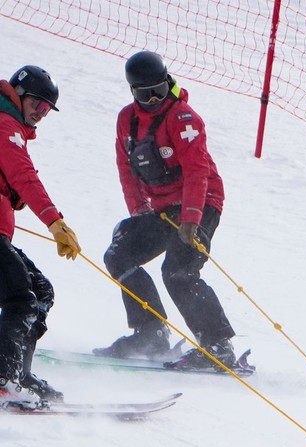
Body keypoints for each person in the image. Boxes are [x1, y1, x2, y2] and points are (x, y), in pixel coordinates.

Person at [94, 51, 235, 369]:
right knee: (120, 253)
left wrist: (191, 220)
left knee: (178, 270)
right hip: (161, 209)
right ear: (133, 91)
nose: (155, 97)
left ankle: (218, 347)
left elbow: (198, 170)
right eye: (146, 93)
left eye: (161, 88)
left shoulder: (183, 118)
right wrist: (139, 210)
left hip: (200, 203)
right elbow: (126, 168)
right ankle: (150, 332)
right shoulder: (126, 120)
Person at [0, 65, 82, 404]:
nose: (40, 113)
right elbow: (23, 176)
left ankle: (17, 371)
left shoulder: (11, 124)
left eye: (47, 109)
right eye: (37, 103)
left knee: (40, 290)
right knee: (22, 298)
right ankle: (4, 379)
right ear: (18, 94)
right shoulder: (5, 125)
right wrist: (54, 222)